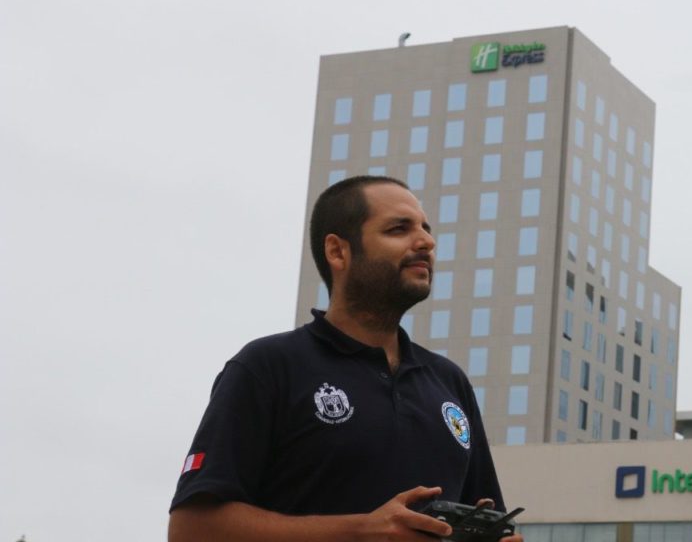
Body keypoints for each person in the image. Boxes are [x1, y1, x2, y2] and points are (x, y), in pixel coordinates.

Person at [169, 175, 522, 541]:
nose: (426, 242)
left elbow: (490, 516)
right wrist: (362, 532)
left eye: (426, 229)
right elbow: (191, 529)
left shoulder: (450, 383)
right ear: (338, 251)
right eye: (399, 229)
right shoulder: (268, 365)